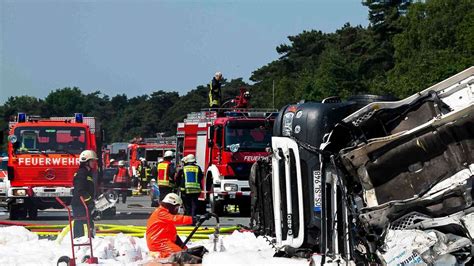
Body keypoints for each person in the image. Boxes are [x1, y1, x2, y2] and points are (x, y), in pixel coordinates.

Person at [146, 193, 213, 259]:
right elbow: (176, 219)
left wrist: (183, 247)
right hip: (158, 243)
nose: (177, 210)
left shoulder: (165, 214)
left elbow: (172, 233)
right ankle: (159, 256)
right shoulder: (161, 213)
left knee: (186, 254)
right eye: (176, 207)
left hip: (164, 241)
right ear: (171, 205)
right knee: (180, 256)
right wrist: (195, 219)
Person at [72, 150, 98, 239]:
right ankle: (80, 243)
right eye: (92, 161)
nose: (94, 163)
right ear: (86, 162)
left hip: (84, 204)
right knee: (82, 225)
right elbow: (80, 190)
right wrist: (89, 201)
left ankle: (87, 242)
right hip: (80, 204)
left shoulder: (87, 173)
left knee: (88, 224)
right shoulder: (81, 173)